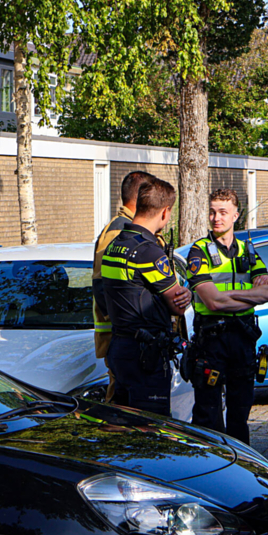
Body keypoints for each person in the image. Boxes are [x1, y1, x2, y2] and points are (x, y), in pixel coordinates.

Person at [184, 188, 268, 444]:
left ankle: (241, 470)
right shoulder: (199, 251)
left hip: (243, 340)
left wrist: (229, 298)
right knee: (208, 416)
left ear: (236, 215)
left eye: (223, 212)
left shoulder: (247, 251)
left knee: (240, 415)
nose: (216, 218)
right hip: (211, 341)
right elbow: (211, 302)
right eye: (212, 212)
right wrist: (249, 294)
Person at [100, 179, 191, 416]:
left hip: (120, 348)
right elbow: (177, 305)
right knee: (151, 429)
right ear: (164, 212)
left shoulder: (114, 246)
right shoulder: (150, 252)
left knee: (124, 426)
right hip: (146, 355)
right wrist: (187, 294)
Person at [92, 171, 156, 405]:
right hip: (123, 337)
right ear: (140, 197)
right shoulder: (118, 232)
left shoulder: (128, 227)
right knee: (121, 406)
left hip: (129, 336)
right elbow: (103, 285)